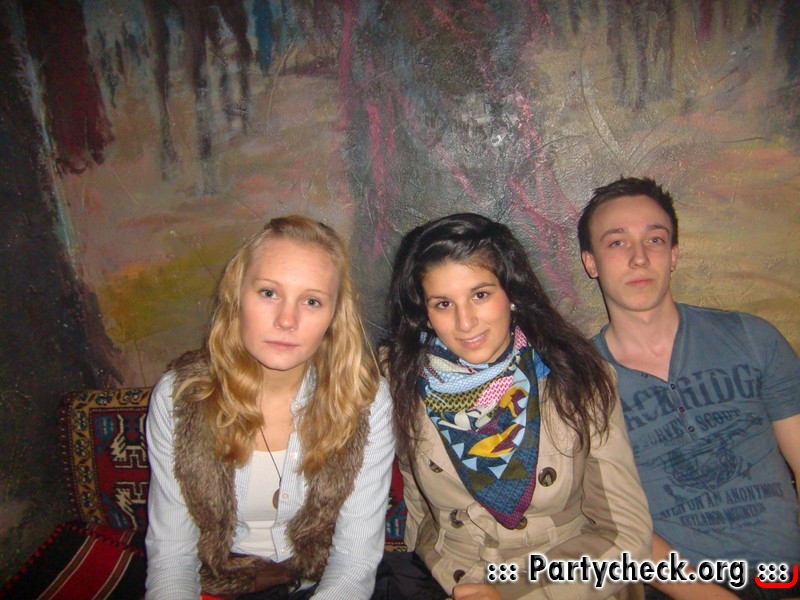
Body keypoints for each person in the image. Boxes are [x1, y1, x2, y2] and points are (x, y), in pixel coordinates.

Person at [383, 213, 652, 600]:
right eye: (443, 304)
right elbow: (418, 509)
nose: (465, 322)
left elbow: (626, 537)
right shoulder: (401, 380)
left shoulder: (578, 378)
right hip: (448, 580)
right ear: (425, 312)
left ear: (511, 292)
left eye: (480, 295)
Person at [144, 215, 395, 599]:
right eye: (268, 293)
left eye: (312, 301)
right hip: (217, 586)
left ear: (333, 317)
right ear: (236, 296)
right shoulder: (181, 397)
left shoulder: (365, 401)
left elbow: (353, 561)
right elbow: (173, 556)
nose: (286, 320)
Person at [577, 176, 800, 600]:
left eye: (655, 240)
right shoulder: (579, 382)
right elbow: (613, 521)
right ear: (591, 263)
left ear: (674, 255)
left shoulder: (753, 339)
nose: (639, 258)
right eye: (617, 243)